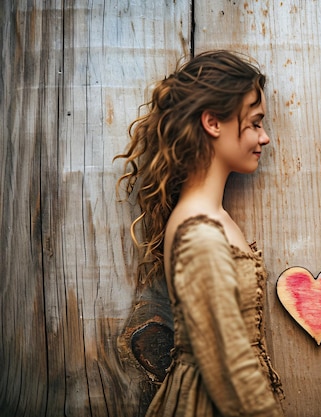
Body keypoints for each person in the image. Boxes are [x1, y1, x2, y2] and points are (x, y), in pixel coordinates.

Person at [115, 50, 284, 416]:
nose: (265, 137)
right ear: (212, 122)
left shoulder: (211, 216)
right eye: (255, 123)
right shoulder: (198, 230)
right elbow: (228, 366)